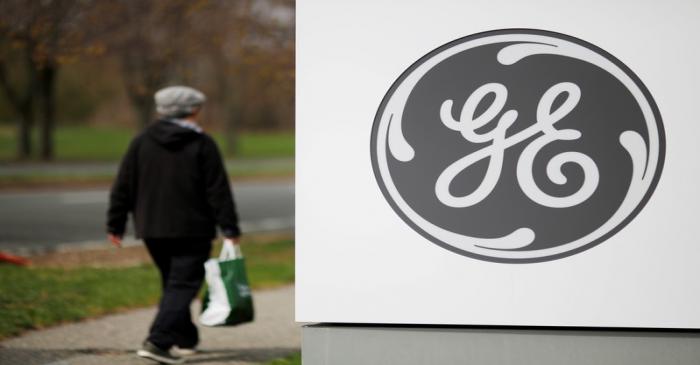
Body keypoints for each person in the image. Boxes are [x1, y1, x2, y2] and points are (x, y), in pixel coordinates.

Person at [106, 86, 241, 364]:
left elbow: (124, 185)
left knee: (174, 283)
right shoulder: (202, 143)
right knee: (182, 285)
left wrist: (115, 224)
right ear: (193, 110)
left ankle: (186, 337)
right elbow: (218, 190)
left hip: (151, 228)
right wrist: (230, 228)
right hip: (192, 229)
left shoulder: (141, 141)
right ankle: (158, 341)